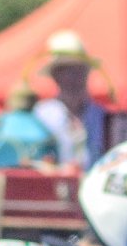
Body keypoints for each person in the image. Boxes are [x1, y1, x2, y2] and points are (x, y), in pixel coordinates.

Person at [32, 30, 111, 169]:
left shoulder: (101, 116)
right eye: (68, 71)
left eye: (81, 69)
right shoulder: (41, 116)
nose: (76, 77)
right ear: (55, 75)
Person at [0, 81, 58, 168]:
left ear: (10, 101)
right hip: (35, 174)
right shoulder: (43, 129)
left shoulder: (1, 121)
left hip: (0, 173)